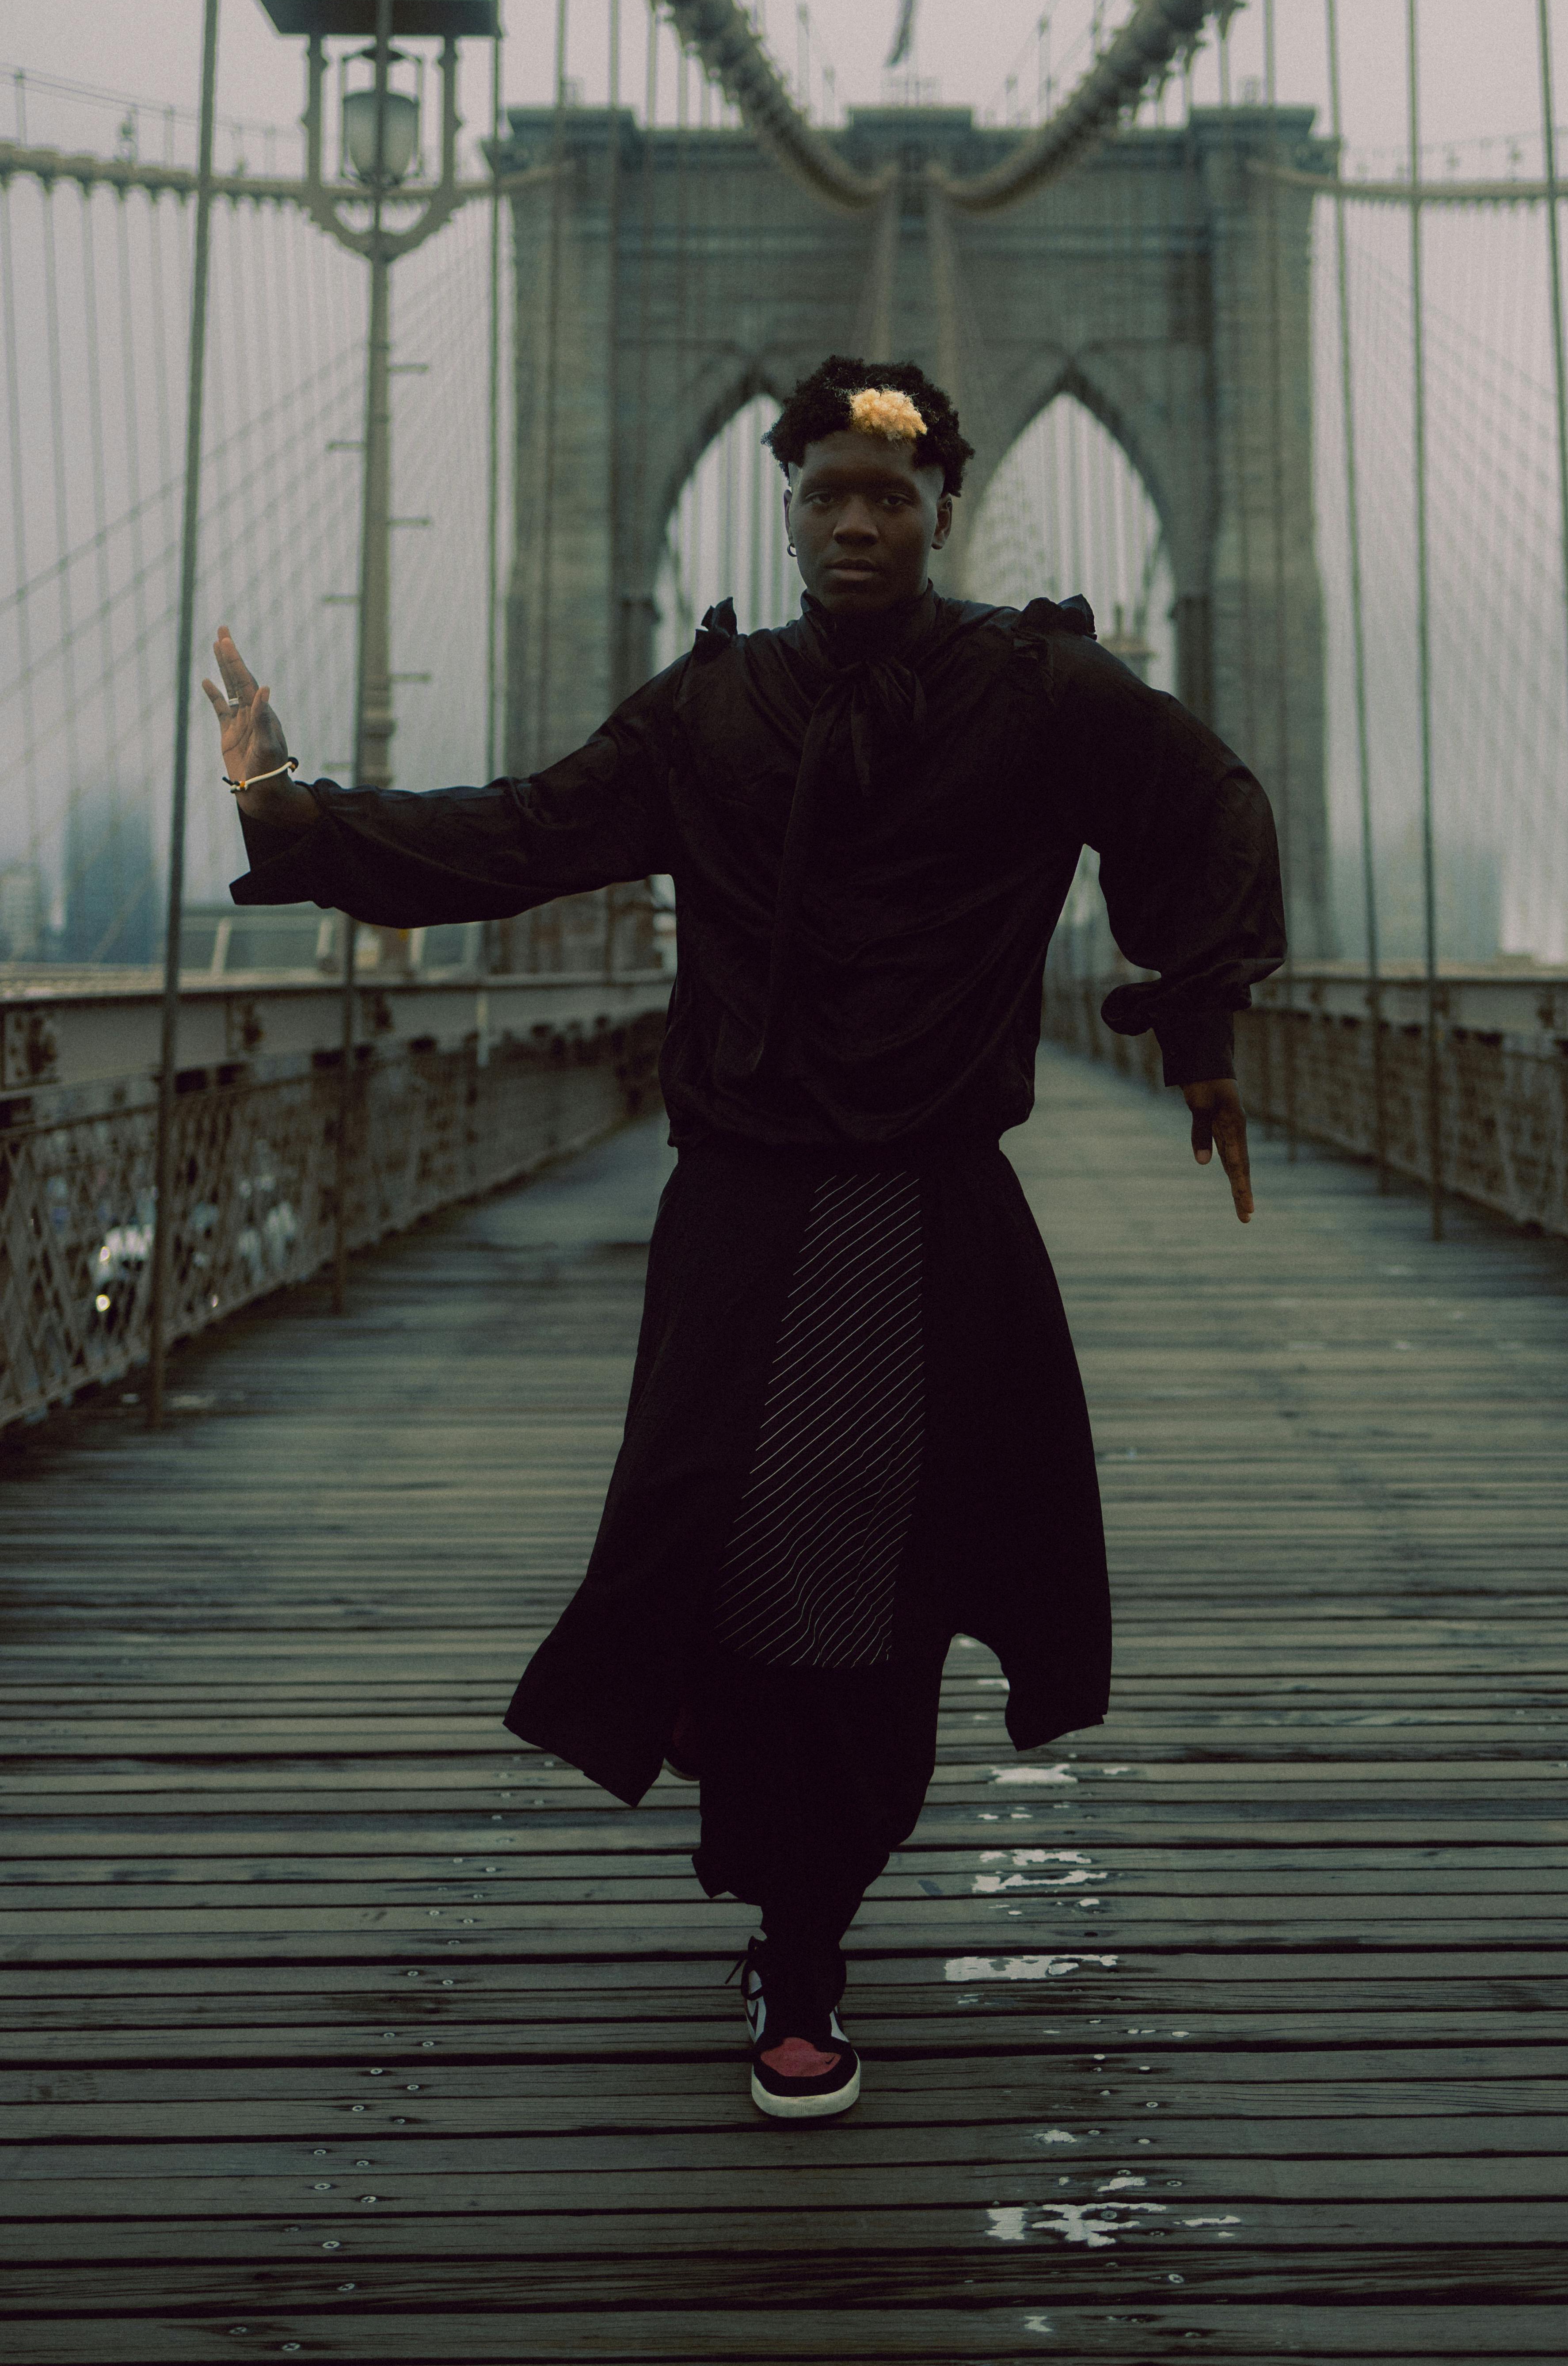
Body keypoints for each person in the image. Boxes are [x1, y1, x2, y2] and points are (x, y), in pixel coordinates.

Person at [209, 353, 1285, 2122]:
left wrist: (1200, 1030)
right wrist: (296, 818)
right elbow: (523, 837)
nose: (855, 524)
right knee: (750, 1566)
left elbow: (1207, 805)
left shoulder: (1040, 694)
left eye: (889, 496)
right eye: (823, 498)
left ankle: (802, 1942)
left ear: (945, 506)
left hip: (922, 1214)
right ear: (789, 514)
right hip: (746, 1212)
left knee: (867, 1583)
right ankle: (797, 1917)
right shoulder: (712, 716)